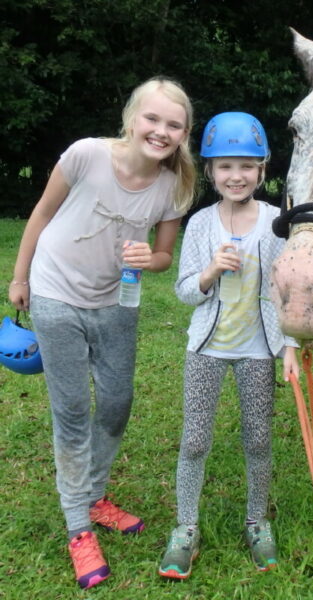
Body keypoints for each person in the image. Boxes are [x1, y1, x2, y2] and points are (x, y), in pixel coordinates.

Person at [8, 77, 196, 590]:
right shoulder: (86, 155)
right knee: (72, 411)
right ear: (132, 118)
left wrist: (151, 259)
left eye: (173, 125)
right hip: (55, 294)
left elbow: (164, 255)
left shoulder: (174, 186)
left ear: (184, 134)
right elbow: (42, 213)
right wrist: (20, 278)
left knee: (116, 402)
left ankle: (94, 495)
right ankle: (78, 527)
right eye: (152, 118)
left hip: (117, 302)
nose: (160, 131)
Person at [158, 112, 299, 579]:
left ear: (262, 170)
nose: (236, 176)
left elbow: (286, 290)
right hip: (206, 350)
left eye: (246, 166)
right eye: (225, 166)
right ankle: (185, 527)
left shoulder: (277, 223)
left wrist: (290, 347)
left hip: (258, 351)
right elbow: (184, 291)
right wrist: (210, 272)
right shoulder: (201, 224)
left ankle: (257, 521)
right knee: (195, 440)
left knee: (258, 439)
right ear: (210, 171)